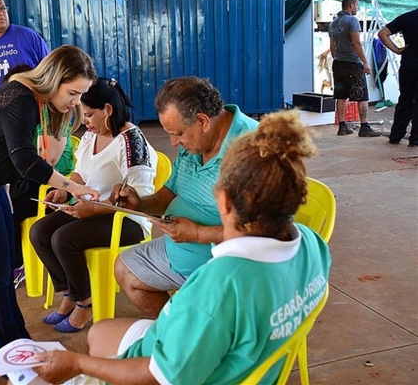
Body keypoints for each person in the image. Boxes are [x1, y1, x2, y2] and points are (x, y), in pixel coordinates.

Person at [28, 110, 332, 385]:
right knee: (100, 331)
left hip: (198, 371)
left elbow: (156, 376)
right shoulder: (311, 243)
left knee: (97, 338)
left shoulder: (217, 287)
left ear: (224, 201)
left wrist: (76, 363)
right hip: (246, 362)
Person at [0, 45, 100, 351]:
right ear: (54, 79)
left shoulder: (32, 96)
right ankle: (10, 352)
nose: (75, 102)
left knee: (2, 269)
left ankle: (16, 341)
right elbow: (24, 161)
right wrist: (72, 186)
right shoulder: (20, 99)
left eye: (81, 95)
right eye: (73, 93)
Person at [113, 76, 258, 318]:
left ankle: (193, 334)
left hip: (230, 269)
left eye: (178, 133)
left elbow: (261, 233)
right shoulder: (196, 145)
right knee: (126, 269)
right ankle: (178, 332)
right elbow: (169, 193)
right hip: (182, 253)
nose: (173, 142)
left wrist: (198, 234)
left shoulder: (254, 152)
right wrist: (140, 203)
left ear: (202, 121)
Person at [29, 77, 157, 333]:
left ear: (107, 110)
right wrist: (65, 191)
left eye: (88, 114)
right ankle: (68, 294)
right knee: (40, 232)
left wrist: (93, 209)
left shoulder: (132, 141)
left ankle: (84, 305)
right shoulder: (90, 135)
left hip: (127, 220)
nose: (85, 121)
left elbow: (137, 198)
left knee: (64, 238)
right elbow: (80, 173)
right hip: (92, 210)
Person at [1, 64, 76, 290]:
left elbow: (44, 163)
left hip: (54, 183)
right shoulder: (15, 113)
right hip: (29, 178)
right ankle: (10, 261)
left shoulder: (51, 113)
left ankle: (17, 264)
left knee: (8, 209)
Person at [328, 0, 379, 137]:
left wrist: (338, 59)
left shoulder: (333, 24)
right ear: (351, 5)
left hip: (338, 63)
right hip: (353, 63)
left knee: (341, 95)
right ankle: (364, 127)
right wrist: (365, 62)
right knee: (362, 95)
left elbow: (332, 47)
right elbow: (356, 43)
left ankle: (342, 126)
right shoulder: (352, 21)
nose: (356, 7)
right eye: (356, 5)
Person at [378, 8, 418, 147]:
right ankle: (415, 139)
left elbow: (383, 34)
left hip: (408, 64)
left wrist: (397, 50)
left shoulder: (407, 17)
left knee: (405, 99)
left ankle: (396, 135)